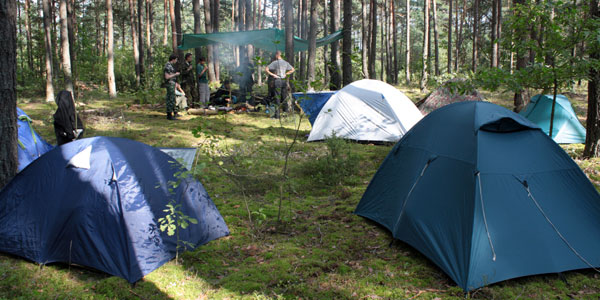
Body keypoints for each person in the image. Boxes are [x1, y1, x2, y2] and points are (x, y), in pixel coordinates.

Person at [265, 51, 295, 117]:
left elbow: (266, 69)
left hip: (277, 80)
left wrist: (273, 74)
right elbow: (293, 69)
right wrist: (286, 74)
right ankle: (286, 113)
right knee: (284, 97)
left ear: (277, 55)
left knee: (277, 97)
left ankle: (277, 115)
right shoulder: (285, 62)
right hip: (283, 80)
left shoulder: (275, 62)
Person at [164, 54, 180, 120]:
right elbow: (167, 77)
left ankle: (174, 113)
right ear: (173, 59)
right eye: (176, 59)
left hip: (172, 84)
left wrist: (175, 82)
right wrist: (175, 74)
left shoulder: (170, 66)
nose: (176, 61)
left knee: (173, 98)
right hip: (169, 84)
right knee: (170, 99)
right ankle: (169, 115)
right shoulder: (167, 66)